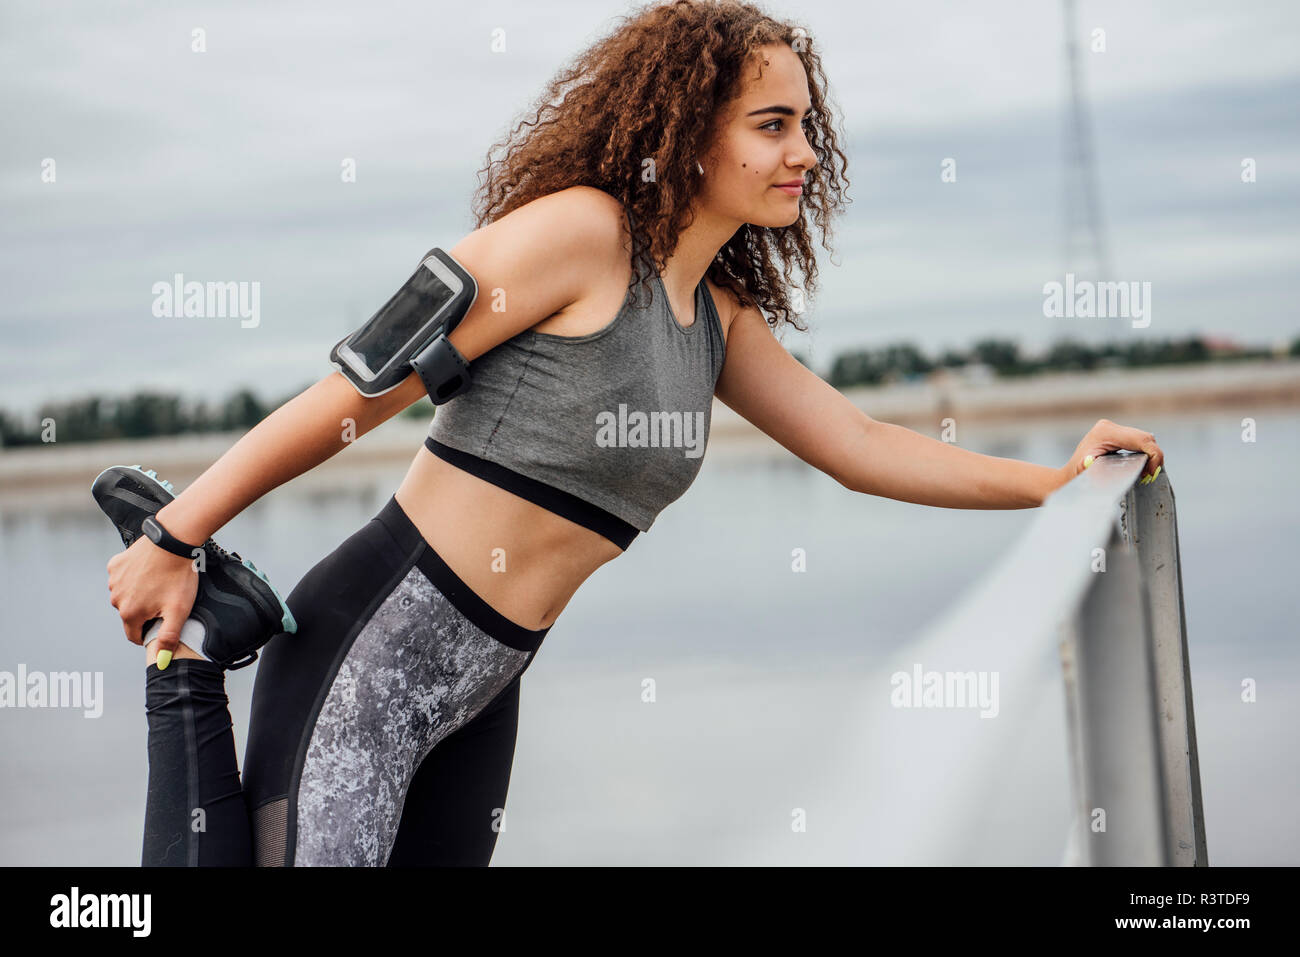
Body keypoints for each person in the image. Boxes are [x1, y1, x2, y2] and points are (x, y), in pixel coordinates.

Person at [103, 0, 1166, 867]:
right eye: (771, 124)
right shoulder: (574, 234)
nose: (804, 151)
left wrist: (1057, 481)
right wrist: (175, 536)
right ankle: (199, 618)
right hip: (365, 665)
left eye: (806, 125)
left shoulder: (714, 317)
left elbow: (855, 444)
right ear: (686, 127)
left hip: (485, 689)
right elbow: (352, 392)